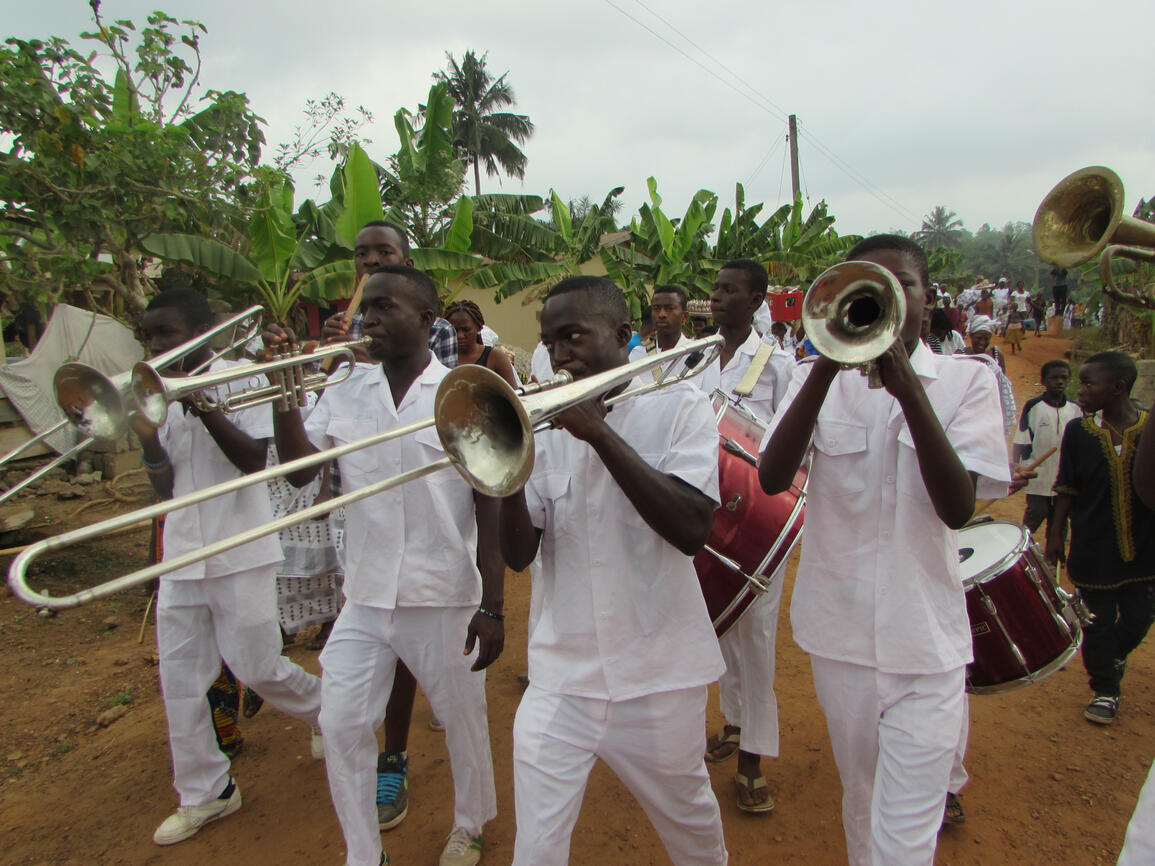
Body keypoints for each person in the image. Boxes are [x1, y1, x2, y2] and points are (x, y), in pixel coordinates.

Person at [758, 235, 1009, 866]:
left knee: (907, 835)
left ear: (926, 298)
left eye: (903, 286)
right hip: (839, 639)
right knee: (862, 801)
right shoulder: (816, 381)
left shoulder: (967, 381)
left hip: (926, 645)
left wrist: (910, 392)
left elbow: (958, 508)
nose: (885, 299)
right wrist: (825, 364)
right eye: (867, 287)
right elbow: (772, 475)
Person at [271, 264, 503, 866]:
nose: (366, 320)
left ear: (425, 320)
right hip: (368, 595)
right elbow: (298, 471)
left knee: (462, 722)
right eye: (365, 308)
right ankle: (363, 853)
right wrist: (283, 392)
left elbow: (489, 502)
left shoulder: (461, 392)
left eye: (383, 308)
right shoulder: (344, 389)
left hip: (444, 594)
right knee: (341, 722)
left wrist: (493, 605)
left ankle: (470, 822)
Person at [498, 275, 728, 866]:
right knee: (535, 849)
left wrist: (598, 433)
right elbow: (519, 555)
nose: (559, 354)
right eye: (550, 342)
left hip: (658, 675)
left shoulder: (680, 406)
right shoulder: (543, 426)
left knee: (692, 830)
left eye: (573, 336)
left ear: (623, 334)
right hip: (561, 677)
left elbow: (691, 529)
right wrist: (503, 468)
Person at [131, 289, 322, 847]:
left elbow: (252, 460)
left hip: (241, 548)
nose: (155, 346)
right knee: (180, 679)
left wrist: (202, 403)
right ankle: (206, 791)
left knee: (256, 665)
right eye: (149, 336)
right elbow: (164, 484)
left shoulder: (240, 376)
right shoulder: (156, 392)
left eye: (166, 334)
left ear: (202, 333)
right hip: (183, 554)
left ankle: (329, 710)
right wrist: (147, 435)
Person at [696, 259, 793, 813]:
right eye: (715, 288)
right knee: (719, 625)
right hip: (700, 515)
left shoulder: (777, 366)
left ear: (756, 299)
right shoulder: (698, 358)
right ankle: (735, 721)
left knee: (754, 639)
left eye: (730, 290)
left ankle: (753, 757)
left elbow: (793, 453)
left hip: (756, 522)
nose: (717, 297)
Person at [1046, 352, 1155, 726]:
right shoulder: (1079, 432)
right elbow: (1067, 486)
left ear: (1118, 388)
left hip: (1146, 549)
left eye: (1089, 384)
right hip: (1093, 548)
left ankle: (1115, 654)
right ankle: (1105, 689)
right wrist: (1056, 533)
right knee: (1096, 622)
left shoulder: (1149, 428)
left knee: (1140, 617)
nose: (1081, 390)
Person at [322, 220, 458, 368]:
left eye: (385, 252)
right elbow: (319, 381)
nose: (371, 261)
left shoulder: (437, 330)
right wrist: (328, 366)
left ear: (408, 265)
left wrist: (370, 368)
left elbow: (445, 383)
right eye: (361, 254)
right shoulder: (338, 325)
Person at [1013, 361, 1083, 537]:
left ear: (1069, 380)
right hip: (1038, 473)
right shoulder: (1034, 406)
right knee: (1037, 512)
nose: (1059, 381)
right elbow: (1022, 438)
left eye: (1064, 378)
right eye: (1054, 378)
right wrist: (1016, 466)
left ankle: (1055, 553)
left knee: (1059, 520)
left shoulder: (1076, 409)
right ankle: (1023, 544)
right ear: (1044, 381)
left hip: (1064, 475)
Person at [445, 299, 519, 388]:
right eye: (454, 330)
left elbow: (513, 393)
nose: (460, 335)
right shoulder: (442, 358)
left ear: (479, 328)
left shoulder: (495, 358)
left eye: (466, 330)